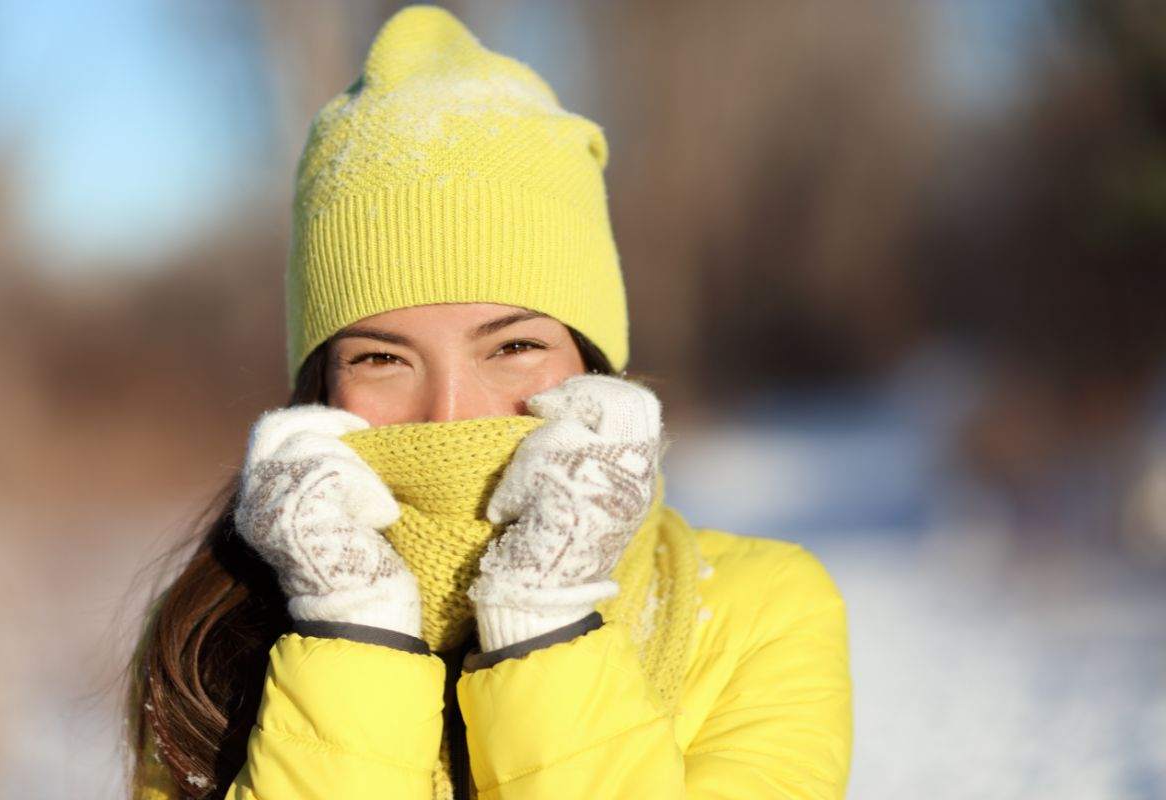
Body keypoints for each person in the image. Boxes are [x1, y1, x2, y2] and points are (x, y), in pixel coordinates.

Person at [126, 5, 852, 799]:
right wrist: (349, 628)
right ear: (320, 387)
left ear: (593, 363)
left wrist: (544, 620)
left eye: (512, 346)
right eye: (381, 357)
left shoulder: (762, 612)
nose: (451, 414)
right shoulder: (210, 639)